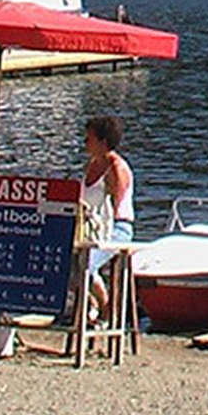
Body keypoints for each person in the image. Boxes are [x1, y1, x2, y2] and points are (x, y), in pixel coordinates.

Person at [82, 115, 135, 322]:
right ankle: (94, 302)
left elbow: (115, 205)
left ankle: (104, 307)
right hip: (89, 226)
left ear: (103, 142)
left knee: (85, 263)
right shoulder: (91, 165)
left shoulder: (116, 168)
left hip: (117, 228)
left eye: (89, 139)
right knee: (63, 262)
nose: (85, 142)